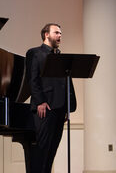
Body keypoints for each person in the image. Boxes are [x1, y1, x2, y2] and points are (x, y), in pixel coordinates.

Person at [25, 23, 76, 173]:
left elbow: (65, 83)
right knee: (42, 150)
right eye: (56, 33)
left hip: (60, 109)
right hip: (45, 108)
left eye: (60, 33)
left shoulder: (59, 55)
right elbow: (32, 79)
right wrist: (40, 101)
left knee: (52, 150)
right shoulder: (34, 53)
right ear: (46, 34)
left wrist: (67, 107)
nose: (60, 36)